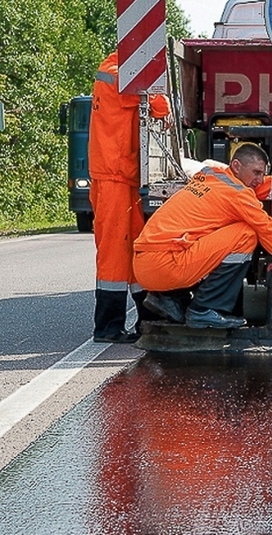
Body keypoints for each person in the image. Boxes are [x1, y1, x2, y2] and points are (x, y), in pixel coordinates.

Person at [133, 143, 272, 329]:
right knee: (246, 233)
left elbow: (250, 186)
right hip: (166, 265)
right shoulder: (239, 197)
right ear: (237, 166)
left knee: (209, 233)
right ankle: (204, 309)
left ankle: (172, 299)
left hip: (146, 265)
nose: (260, 179)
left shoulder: (211, 175)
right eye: (256, 173)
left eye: (264, 174)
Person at [88, 50, 172, 343]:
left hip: (120, 175)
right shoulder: (117, 73)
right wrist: (164, 101)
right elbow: (158, 105)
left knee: (135, 246)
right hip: (113, 174)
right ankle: (108, 327)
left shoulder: (114, 69)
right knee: (114, 253)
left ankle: (148, 317)